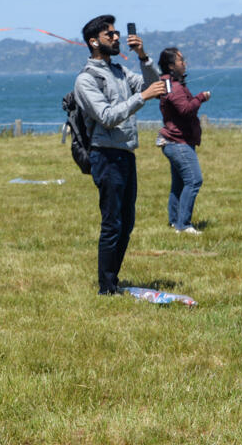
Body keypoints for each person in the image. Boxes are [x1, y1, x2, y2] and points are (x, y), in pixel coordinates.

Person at [74, 15, 165, 295]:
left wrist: (143, 56)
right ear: (93, 42)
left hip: (126, 154)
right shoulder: (86, 80)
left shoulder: (121, 72)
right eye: (109, 35)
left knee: (126, 223)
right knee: (112, 222)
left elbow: (156, 86)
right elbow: (106, 116)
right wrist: (142, 97)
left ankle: (113, 280)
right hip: (105, 156)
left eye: (116, 34)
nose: (116, 38)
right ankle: (106, 287)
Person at [157, 47, 211, 235]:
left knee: (179, 183)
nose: (184, 63)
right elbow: (185, 109)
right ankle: (184, 225)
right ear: (171, 66)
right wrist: (201, 98)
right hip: (177, 143)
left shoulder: (170, 84)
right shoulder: (173, 87)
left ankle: (174, 221)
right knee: (194, 180)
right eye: (181, 61)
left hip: (175, 141)